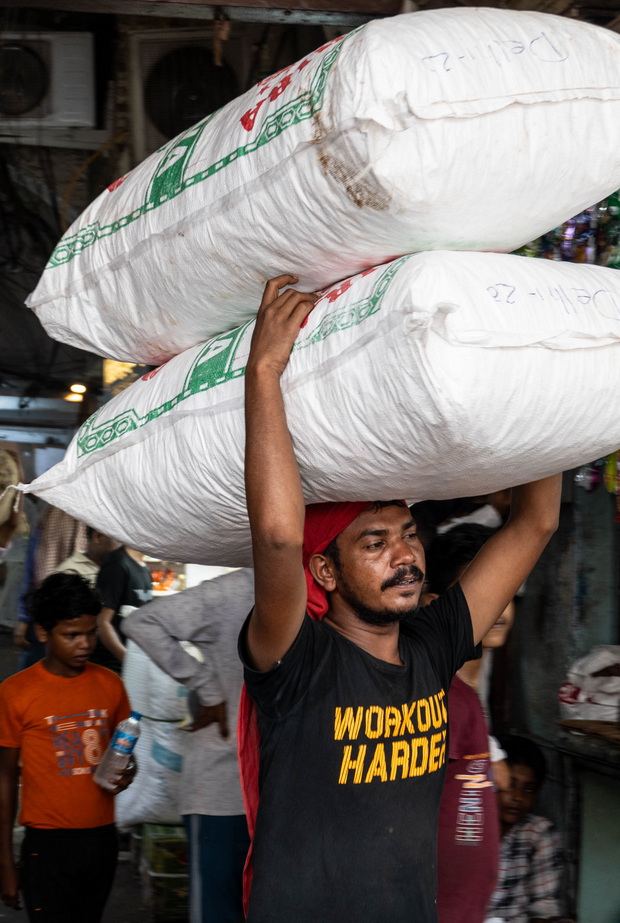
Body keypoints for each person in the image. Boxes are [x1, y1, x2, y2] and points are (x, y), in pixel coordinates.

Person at [238, 274, 562, 922]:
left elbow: (536, 522)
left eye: (410, 534)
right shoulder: (298, 659)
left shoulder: (429, 647)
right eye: (376, 542)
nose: (406, 554)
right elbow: (278, 538)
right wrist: (265, 370)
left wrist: (542, 367)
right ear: (324, 573)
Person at [0, 572, 136, 921]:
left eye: (91, 633)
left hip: (100, 840)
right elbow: (4, 782)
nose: (85, 644)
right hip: (46, 845)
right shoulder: (17, 693)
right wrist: (4, 863)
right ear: (44, 632)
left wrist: (128, 772)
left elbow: (123, 755)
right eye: (71, 635)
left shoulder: (110, 685)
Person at [124, 568, 253, 923]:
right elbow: (142, 622)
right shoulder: (234, 591)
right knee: (218, 910)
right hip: (221, 793)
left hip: (278, 795)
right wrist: (207, 688)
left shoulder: (318, 596)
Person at [424, 524, 517, 923]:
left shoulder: (470, 683)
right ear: (434, 604)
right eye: (482, 592)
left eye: (507, 591)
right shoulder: (437, 693)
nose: (501, 607)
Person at [485, 736, 564, 923]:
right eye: (510, 785)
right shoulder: (467, 828)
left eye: (528, 789)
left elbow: (544, 906)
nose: (518, 798)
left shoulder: (539, 834)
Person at [91, 545, 153, 673]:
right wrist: (128, 660)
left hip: (133, 662)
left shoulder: (144, 568)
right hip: (113, 666)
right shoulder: (116, 564)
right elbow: (102, 622)